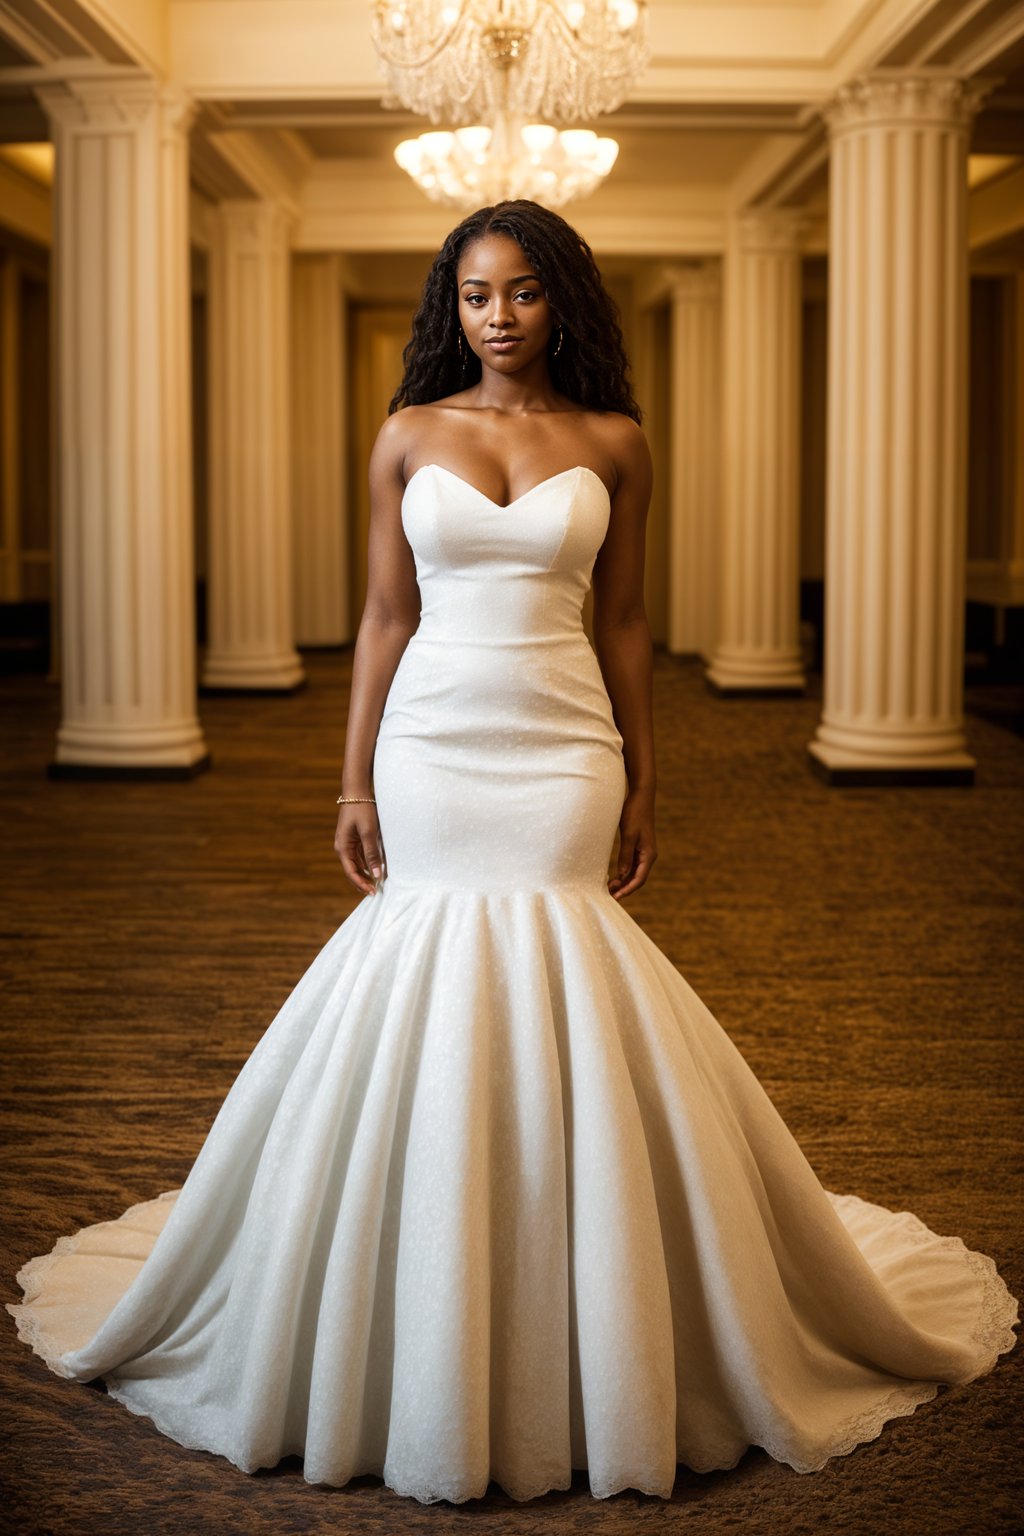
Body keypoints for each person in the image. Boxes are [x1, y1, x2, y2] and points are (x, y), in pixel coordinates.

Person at [7, 199, 1019, 1508]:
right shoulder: (407, 435)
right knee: (429, 957)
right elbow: (382, 613)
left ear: (561, 303)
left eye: (526, 293)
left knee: (562, 952)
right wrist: (350, 773)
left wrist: (647, 778)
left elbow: (631, 623)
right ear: (454, 307)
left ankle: (576, 1285)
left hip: (561, 749)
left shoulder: (616, 442)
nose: (500, 316)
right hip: (433, 740)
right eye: (478, 294)